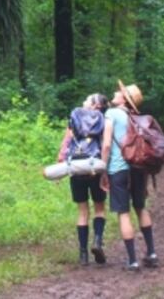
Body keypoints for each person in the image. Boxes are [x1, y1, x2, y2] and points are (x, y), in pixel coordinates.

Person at [101, 81, 157, 272]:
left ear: (124, 98)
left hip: (119, 168)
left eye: (120, 91)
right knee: (141, 207)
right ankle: (151, 253)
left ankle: (132, 261)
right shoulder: (136, 118)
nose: (116, 92)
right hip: (138, 167)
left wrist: (103, 170)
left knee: (123, 212)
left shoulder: (111, 114)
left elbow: (107, 144)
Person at [57, 93, 108, 266]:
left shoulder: (75, 116)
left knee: (82, 211)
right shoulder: (103, 119)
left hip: (77, 166)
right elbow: (105, 144)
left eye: (87, 99)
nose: (84, 101)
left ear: (95, 105)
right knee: (99, 208)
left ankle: (83, 254)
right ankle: (98, 241)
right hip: (94, 167)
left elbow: (67, 142)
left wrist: (61, 165)